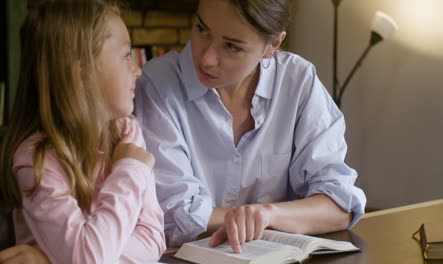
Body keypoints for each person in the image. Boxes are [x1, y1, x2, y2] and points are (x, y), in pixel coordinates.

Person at [134, 0, 366, 253]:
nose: (207, 58)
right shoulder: (156, 83)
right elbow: (174, 215)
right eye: (201, 29)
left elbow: (340, 205)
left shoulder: (298, 81)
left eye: (232, 46)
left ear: (273, 45)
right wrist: (286, 216)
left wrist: (267, 215)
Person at [0, 0, 166, 263]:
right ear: (84, 74)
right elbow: (88, 258)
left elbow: (154, 238)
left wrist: (50, 259)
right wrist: (130, 168)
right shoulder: (37, 161)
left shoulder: (126, 131)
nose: (137, 69)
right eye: (125, 56)